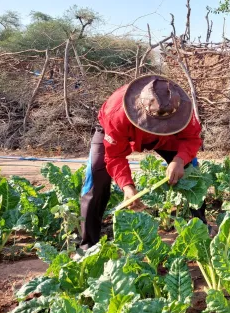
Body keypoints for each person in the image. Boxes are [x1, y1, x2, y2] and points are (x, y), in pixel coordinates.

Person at [80, 75, 203, 249]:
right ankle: (88, 246)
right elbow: (115, 157)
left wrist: (180, 159)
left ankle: (201, 231)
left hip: (168, 137)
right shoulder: (116, 114)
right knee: (96, 177)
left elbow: (192, 138)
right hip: (121, 131)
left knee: (192, 172)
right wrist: (127, 186)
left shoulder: (181, 108)